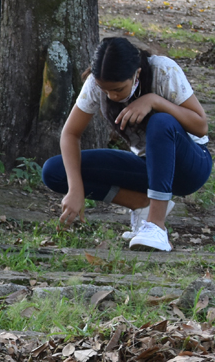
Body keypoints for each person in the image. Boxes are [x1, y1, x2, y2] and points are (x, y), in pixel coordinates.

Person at [42, 37, 210, 253]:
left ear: (136, 74)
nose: (112, 96)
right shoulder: (95, 83)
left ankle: (156, 226)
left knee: (161, 121)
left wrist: (154, 101)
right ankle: (141, 203)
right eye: (105, 90)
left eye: (118, 89)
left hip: (189, 167)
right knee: (55, 171)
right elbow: (70, 133)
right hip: (148, 166)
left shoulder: (163, 70)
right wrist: (75, 189)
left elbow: (201, 126)